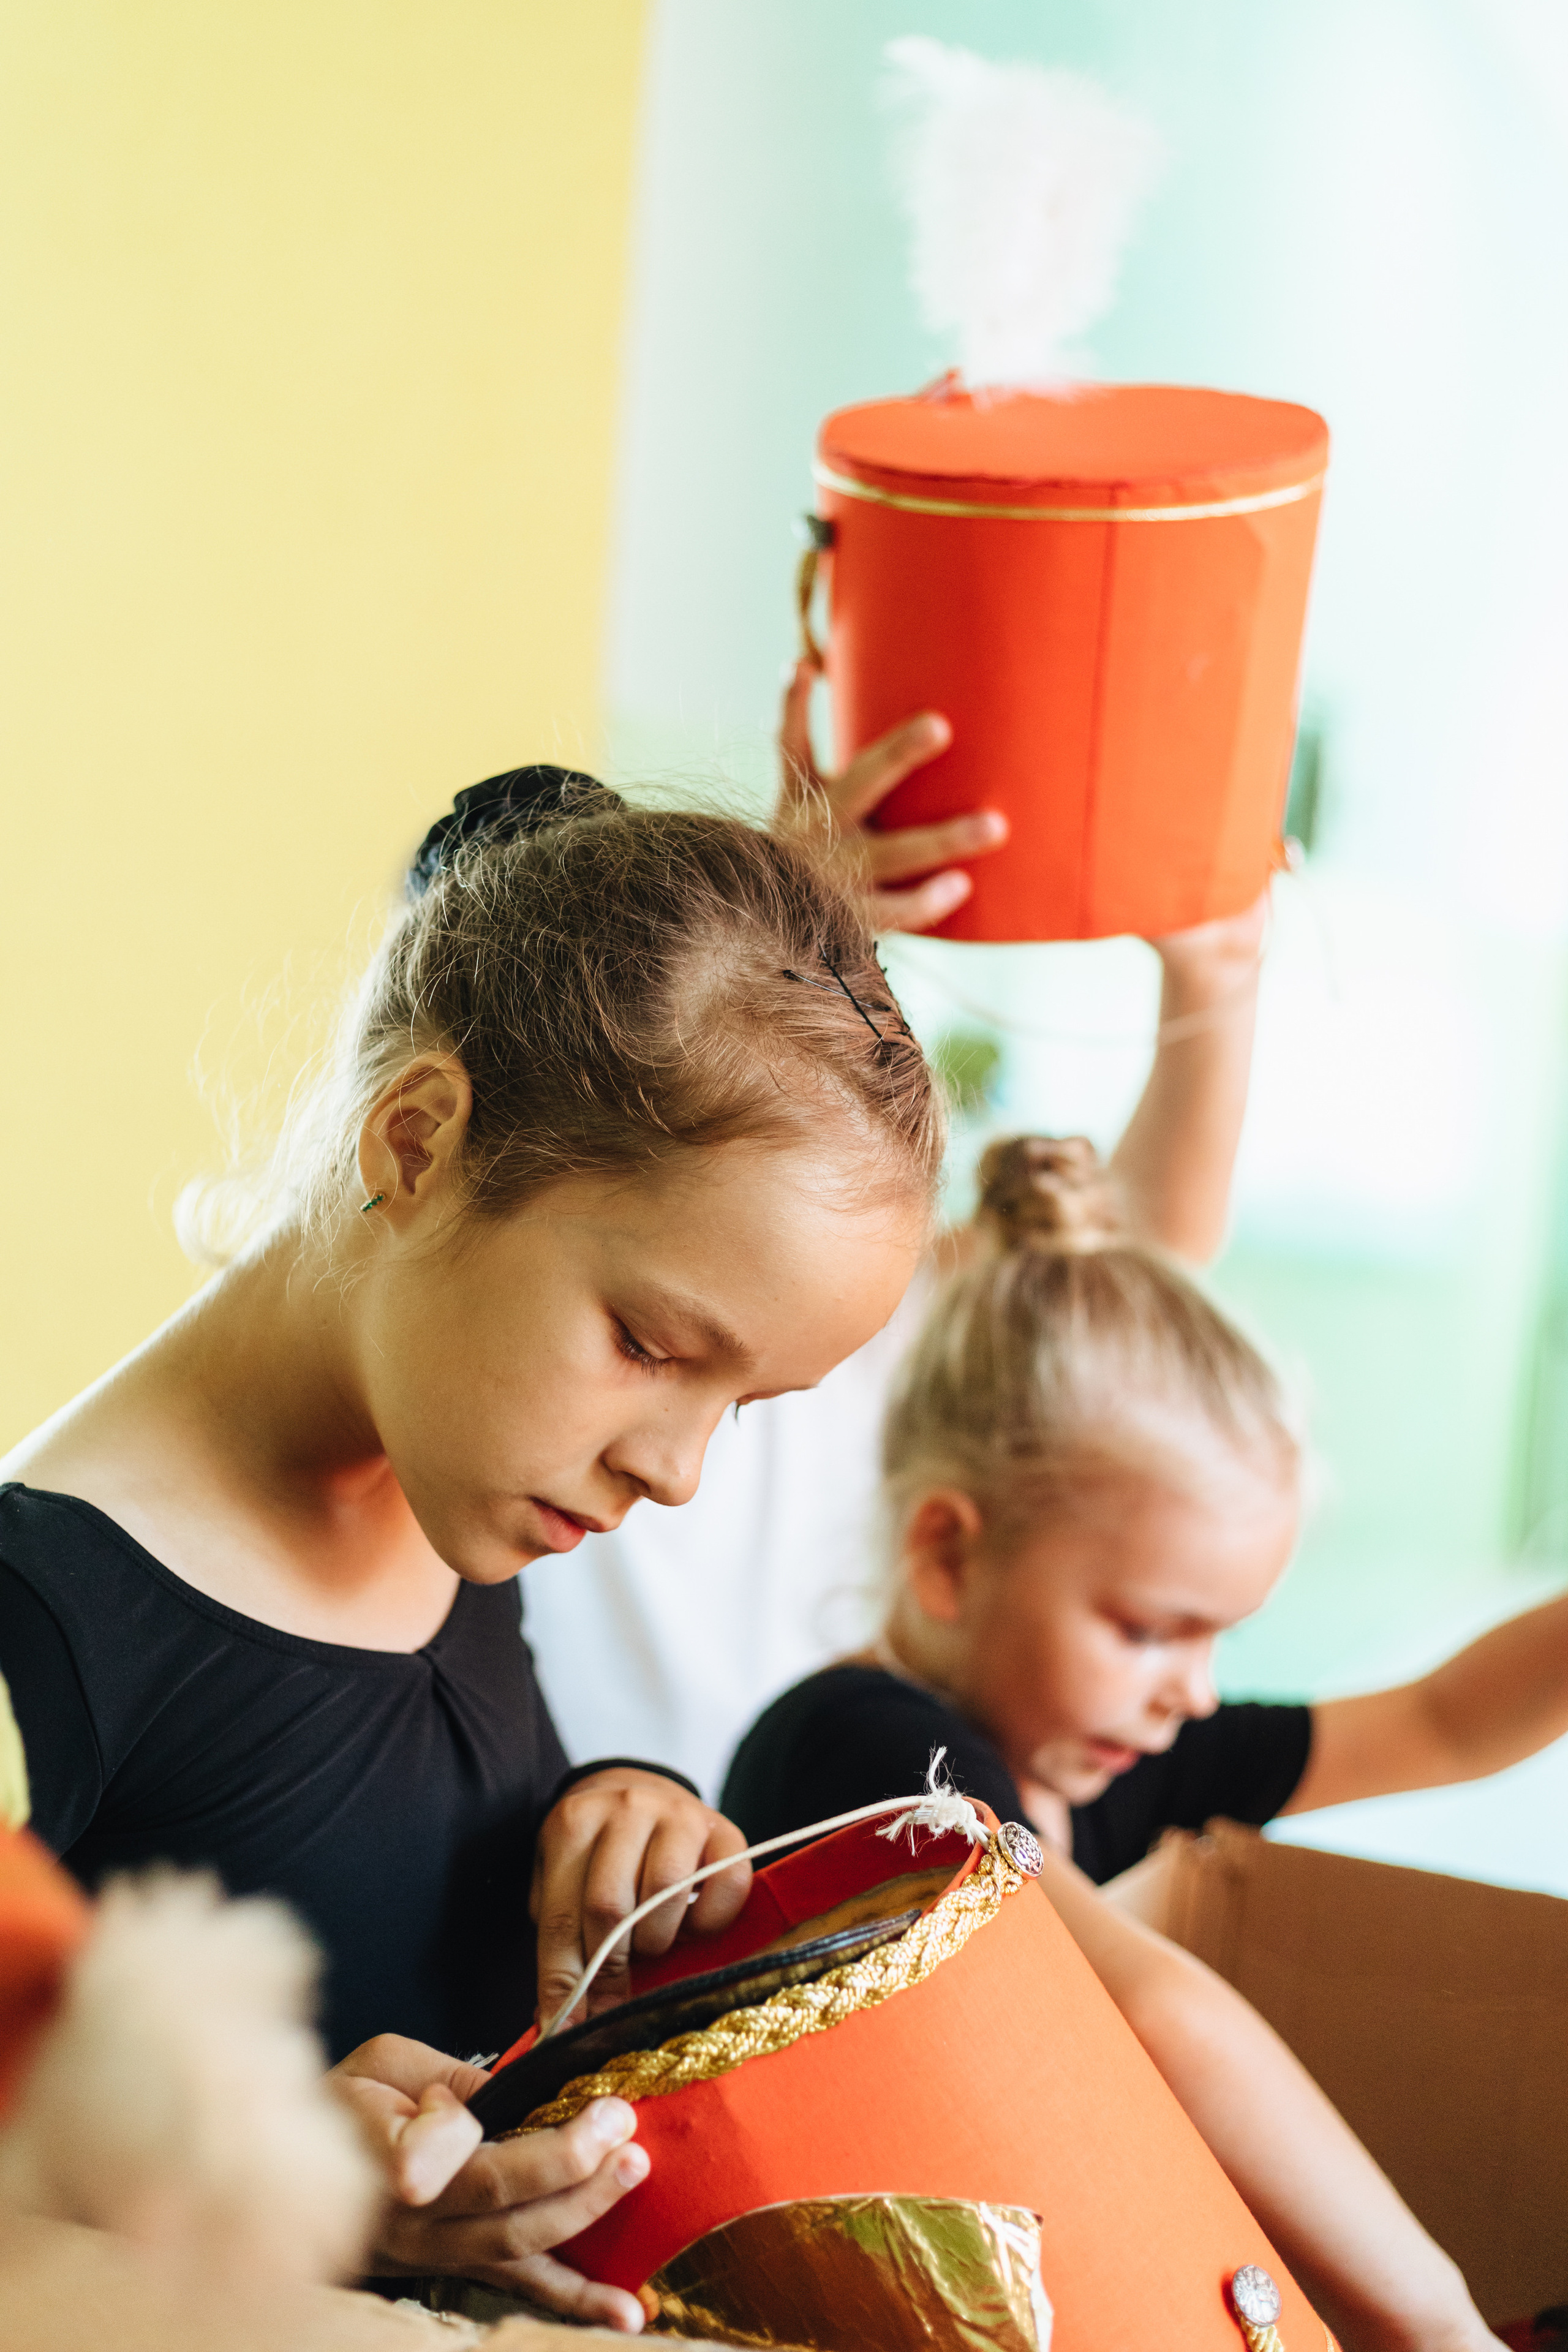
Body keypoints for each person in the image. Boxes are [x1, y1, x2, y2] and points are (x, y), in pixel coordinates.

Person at [0, 767, 945, 2327]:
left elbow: (410, 1855)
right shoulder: (49, 1627)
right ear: (421, 1141)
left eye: (748, 1405)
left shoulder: (439, 1497)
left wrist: (604, 1815)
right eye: (650, 1345)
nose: (680, 1470)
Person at [524, 660, 1270, 1791]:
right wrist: (789, 913)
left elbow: (1138, 1257)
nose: (674, 1466)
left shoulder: (882, 1314)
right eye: (648, 1343)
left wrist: (1218, 968)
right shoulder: (600, 1252)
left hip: (787, 1876)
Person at [722, 1133, 1568, 1879]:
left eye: (1217, 1636)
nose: (1195, 1696)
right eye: (1148, 1632)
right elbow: (1154, 2002)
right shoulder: (868, 1750)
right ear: (950, 1557)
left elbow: (1442, 1724)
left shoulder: (1107, 1749)